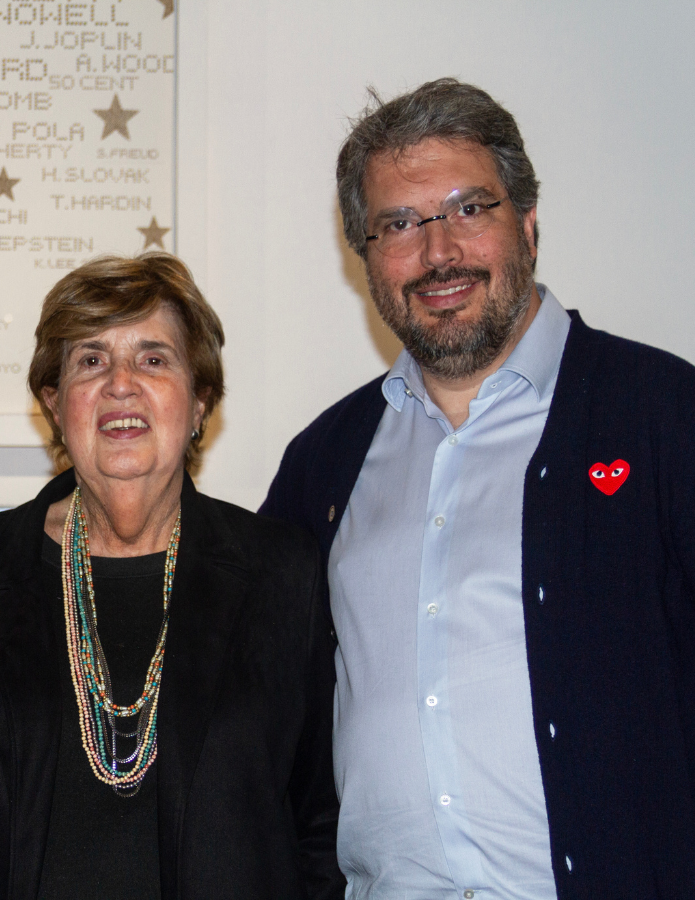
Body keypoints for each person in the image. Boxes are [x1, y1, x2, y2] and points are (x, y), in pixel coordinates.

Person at [260, 77, 695, 898]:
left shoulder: (664, 415)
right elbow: (259, 716)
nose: (438, 253)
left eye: (468, 209)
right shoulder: (322, 463)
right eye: (399, 224)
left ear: (526, 222)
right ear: (365, 258)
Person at [0, 253, 340, 899]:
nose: (120, 384)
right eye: (91, 360)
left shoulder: (283, 575)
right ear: (55, 404)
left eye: (153, 359)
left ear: (200, 401)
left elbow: (322, 822)